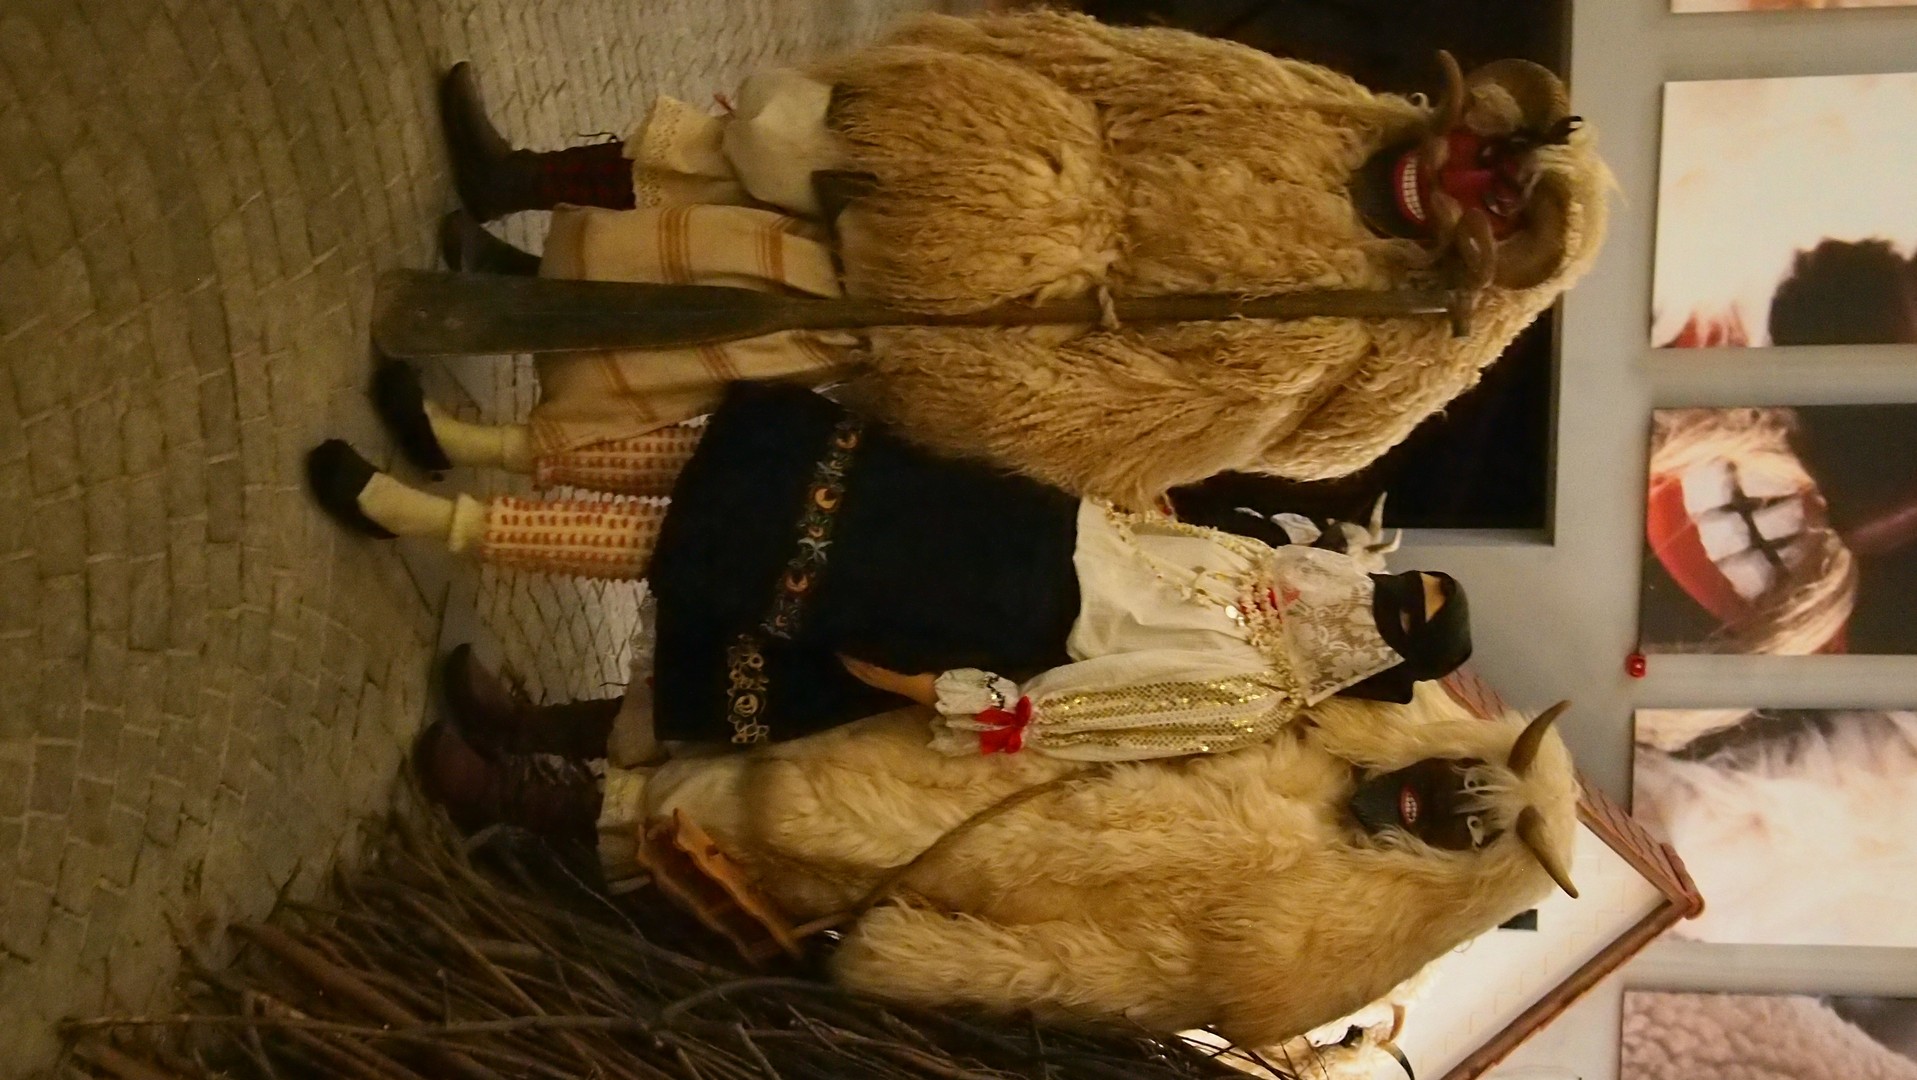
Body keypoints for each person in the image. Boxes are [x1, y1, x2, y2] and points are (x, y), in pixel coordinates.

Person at [430, 9, 1610, 510]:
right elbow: (1147, 73)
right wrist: (987, 69)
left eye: (1497, 194)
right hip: (955, 146)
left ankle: (519, 320)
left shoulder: (1343, 341)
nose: (1464, 168)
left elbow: (1145, 414)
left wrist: (968, 373)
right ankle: (518, 183)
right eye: (1487, 145)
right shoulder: (1336, 115)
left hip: (964, 302)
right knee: (715, 157)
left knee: (710, 298)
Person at [308, 379, 1472, 813]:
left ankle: (440, 528)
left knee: (715, 548)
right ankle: (478, 443)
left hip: (974, 608)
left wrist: (940, 693)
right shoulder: (1260, 571)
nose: (1355, 600)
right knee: (739, 455)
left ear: (1372, 659)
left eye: (1382, 620)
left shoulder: (1247, 693)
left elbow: (1082, 715)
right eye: (1382, 588)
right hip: (994, 516)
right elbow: (1132, 524)